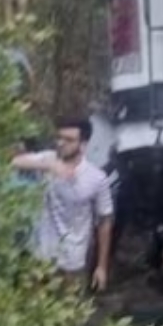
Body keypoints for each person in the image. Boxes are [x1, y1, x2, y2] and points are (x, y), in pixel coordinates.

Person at [11, 117, 114, 293]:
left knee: (69, 314)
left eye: (68, 140)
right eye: (59, 138)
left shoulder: (96, 178)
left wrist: (101, 266)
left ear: (83, 143)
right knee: (30, 310)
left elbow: (105, 221)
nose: (61, 143)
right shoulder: (48, 158)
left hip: (72, 262)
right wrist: (49, 165)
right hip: (39, 257)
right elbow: (14, 161)